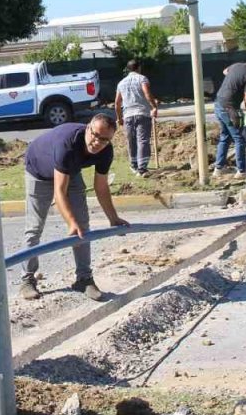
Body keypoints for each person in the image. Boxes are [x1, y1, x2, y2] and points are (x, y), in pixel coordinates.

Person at [19, 114, 128, 301]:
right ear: (88, 128)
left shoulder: (105, 151)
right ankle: (27, 280)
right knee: (35, 228)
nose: (97, 142)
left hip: (70, 170)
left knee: (83, 226)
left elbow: (101, 186)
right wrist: (70, 223)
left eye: (104, 139)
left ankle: (84, 279)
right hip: (38, 171)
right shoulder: (67, 144)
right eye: (95, 135)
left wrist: (113, 218)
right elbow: (59, 192)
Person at [212, 56, 246, 178]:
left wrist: (234, 80)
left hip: (218, 103)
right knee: (240, 138)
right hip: (230, 108)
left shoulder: (237, 65)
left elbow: (225, 71)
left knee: (225, 136)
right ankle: (242, 170)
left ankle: (218, 169)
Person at [114, 59, 160, 175]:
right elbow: (147, 94)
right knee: (142, 140)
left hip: (128, 115)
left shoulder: (121, 83)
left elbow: (117, 103)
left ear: (128, 69)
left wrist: (119, 118)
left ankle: (134, 165)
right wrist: (154, 107)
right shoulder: (142, 79)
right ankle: (142, 168)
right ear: (138, 68)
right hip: (142, 113)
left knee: (131, 141)